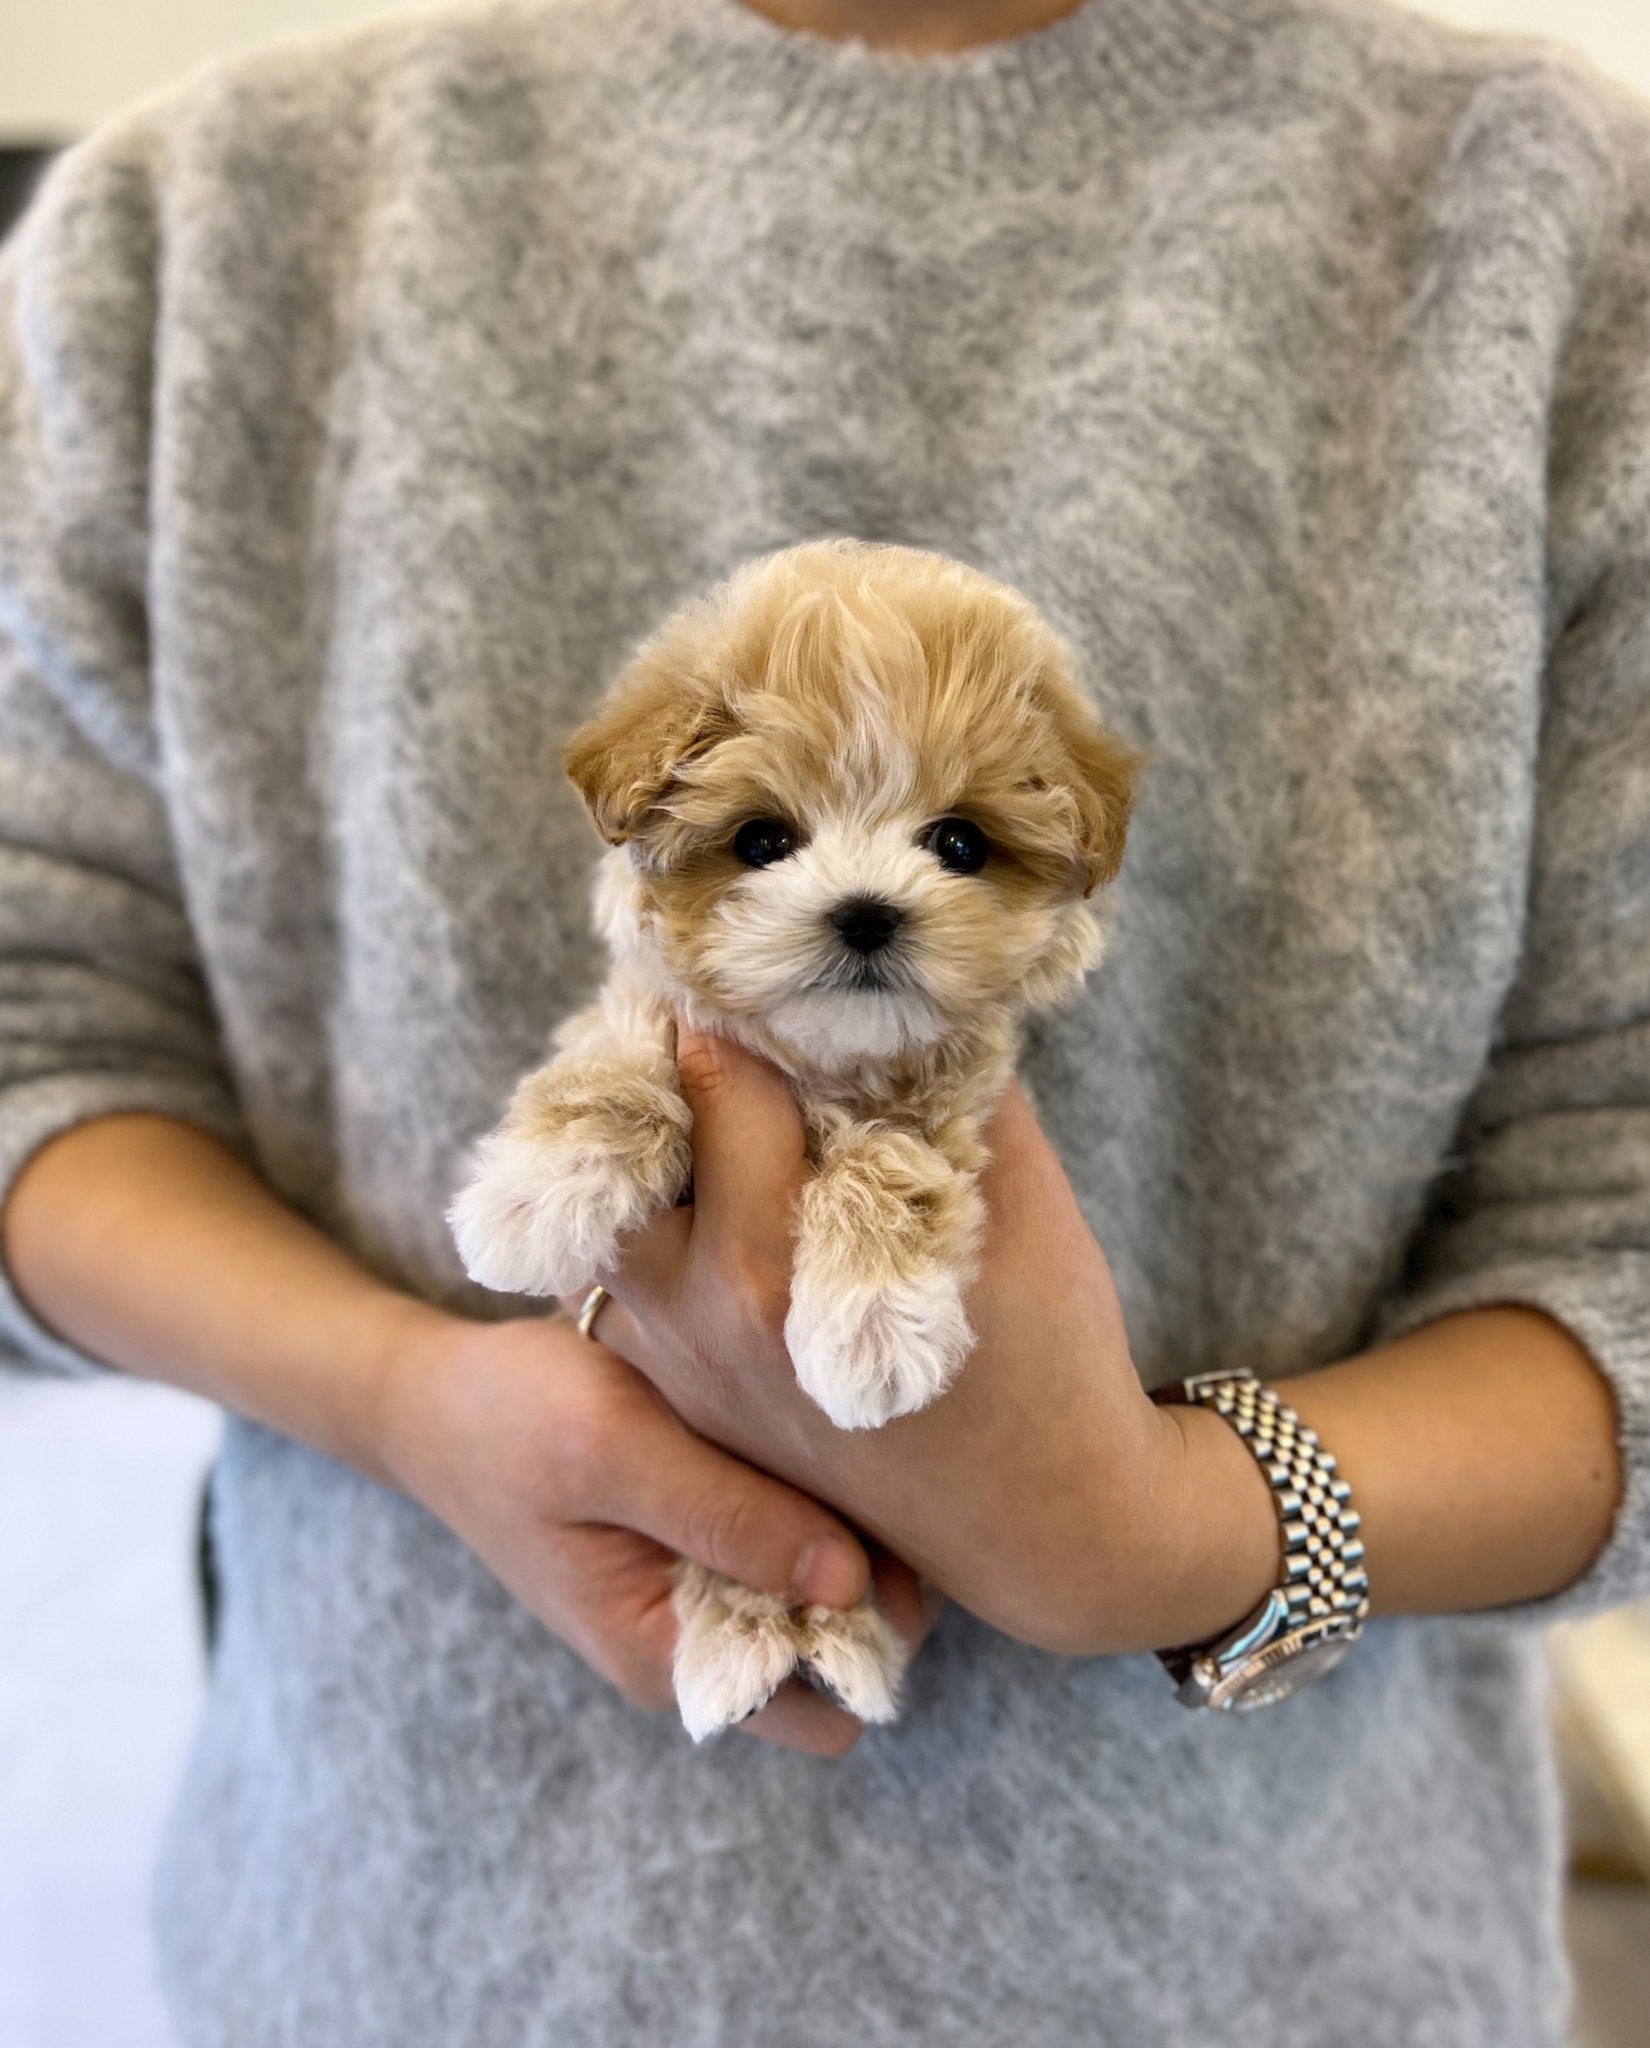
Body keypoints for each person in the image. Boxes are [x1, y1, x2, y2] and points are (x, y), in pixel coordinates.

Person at [0, 0, 1645, 2038]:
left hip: (1278, 1975)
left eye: (955, 835)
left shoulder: (1555, 220)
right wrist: (411, 1397)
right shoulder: (203, 221)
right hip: (415, 1958)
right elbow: (35, 1034)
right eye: (776, 827)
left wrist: (1157, 1531)